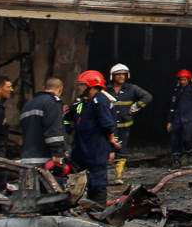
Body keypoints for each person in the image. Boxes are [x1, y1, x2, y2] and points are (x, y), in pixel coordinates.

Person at [67, 70, 121, 205]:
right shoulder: (86, 103)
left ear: (91, 85)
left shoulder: (100, 101)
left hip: (95, 150)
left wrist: (110, 142)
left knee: (97, 182)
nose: (79, 88)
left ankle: (98, 210)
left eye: (82, 85)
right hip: (83, 149)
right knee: (82, 180)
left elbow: (108, 125)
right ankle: (87, 208)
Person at [106, 63, 152, 184]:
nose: (121, 77)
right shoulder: (105, 90)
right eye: (118, 74)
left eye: (123, 74)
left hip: (123, 125)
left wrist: (137, 106)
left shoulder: (132, 89)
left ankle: (118, 176)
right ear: (112, 76)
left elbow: (147, 97)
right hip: (108, 126)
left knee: (121, 149)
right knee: (105, 149)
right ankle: (103, 176)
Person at [20, 77, 67, 167]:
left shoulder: (28, 105)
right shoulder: (53, 102)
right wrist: (57, 153)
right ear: (61, 89)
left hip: (27, 159)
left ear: (43, 88)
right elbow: (54, 129)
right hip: (45, 160)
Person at [167, 69, 192, 168]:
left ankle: (191, 154)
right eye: (181, 80)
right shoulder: (177, 91)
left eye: (184, 80)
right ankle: (176, 160)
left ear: (189, 80)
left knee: (186, 138)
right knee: (175, 139)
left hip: (189, 117)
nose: (182, 82)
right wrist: (169, 121)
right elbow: (173, 106)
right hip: (177, 117)